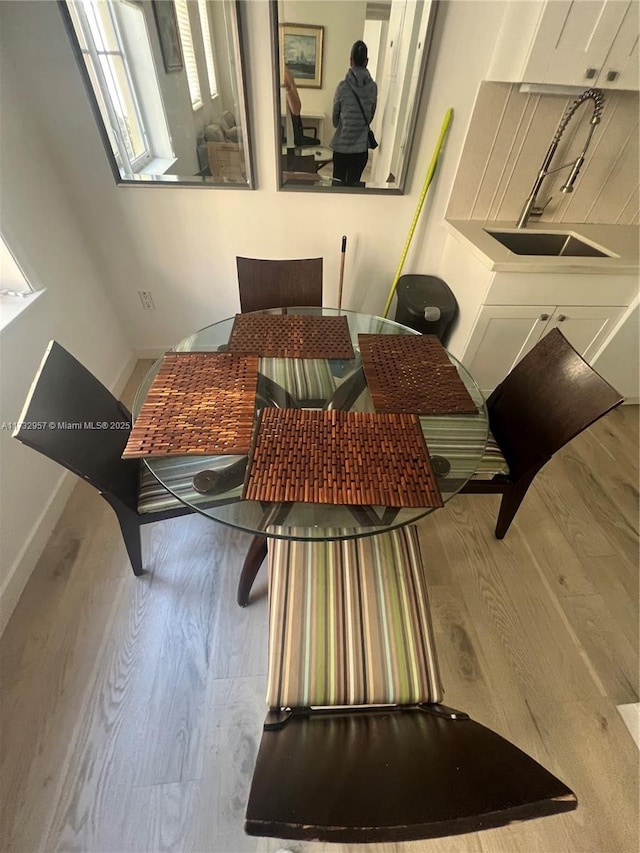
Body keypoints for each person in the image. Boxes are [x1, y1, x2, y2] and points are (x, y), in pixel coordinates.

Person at [330, 40, 377, 186]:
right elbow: (370, 116)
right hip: (360, 149)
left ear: (350, 61)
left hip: (341, 149)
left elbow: (335, 119)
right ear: (367, 61)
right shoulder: (373, 88)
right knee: (354, 189)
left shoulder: (342, 87)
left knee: (337, 188)